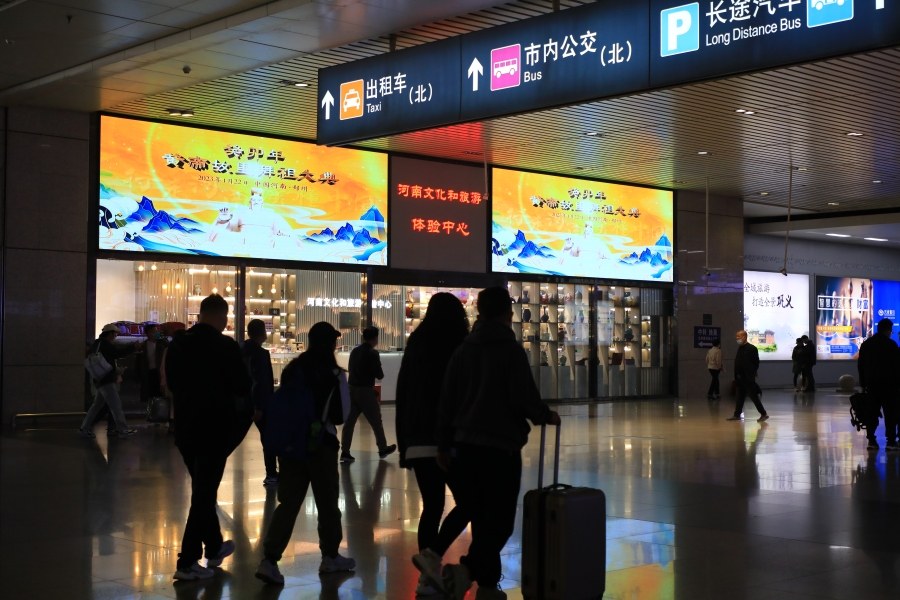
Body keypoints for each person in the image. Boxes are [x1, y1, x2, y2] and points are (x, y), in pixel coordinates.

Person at [438, 286, 561, 600]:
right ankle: (468, 572)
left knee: (481, 518)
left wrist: (444, 443)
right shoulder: (509, 350)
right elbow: (523, 395)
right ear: (508, 312)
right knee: (501, 522)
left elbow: (447, 400)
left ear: (479, 312)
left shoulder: (463, 349)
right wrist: (544, 415)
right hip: (499, 448)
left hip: (465, 448)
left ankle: (488, 585)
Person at [255, 321, 356, 585]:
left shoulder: (293, 369)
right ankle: (330, 556)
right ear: (331, 344)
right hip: (321, 445)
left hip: (291, 445)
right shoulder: (334, 374)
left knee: (288, 503)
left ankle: (269, 559)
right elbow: (341, 415)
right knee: (327, 503)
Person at [165, 294, 253, 581]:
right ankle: (187, 561)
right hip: (215, 429)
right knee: (204, 494)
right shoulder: (224, 346)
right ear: (220, 316)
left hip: (186, 427)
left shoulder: (178, 344)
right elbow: (242, 385)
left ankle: (214, 547)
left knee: (204, 489)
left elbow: (171, 384)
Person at [396, 293, 472, 596]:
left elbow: (403, 393)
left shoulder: (417, 342)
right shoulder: (459, 344)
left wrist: (404, 443)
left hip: (416, 438)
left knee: (432, 506)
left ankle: (426, 579)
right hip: (449, 440)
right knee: (469, 502)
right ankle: (434, 555)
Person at [340, 326, 396, 463]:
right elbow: (379, 375)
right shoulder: (373, 353)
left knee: (349, 423)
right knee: (376, 421)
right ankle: (382, 448)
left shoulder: (354, 351)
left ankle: (345, 452)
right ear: (375, 338)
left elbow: (351, 368)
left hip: (351, 389)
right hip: (365, 391)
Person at [79, 323, 138, 438]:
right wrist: (132, 348)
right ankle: (123, 430)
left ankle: (84, 428)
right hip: (107, 379)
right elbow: (117, 354)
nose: (115, 336)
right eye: (115, 334)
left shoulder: (97, 343)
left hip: (100, 379)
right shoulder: (105, 344)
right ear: (109, 333)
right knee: (116, 406)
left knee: (96, 406)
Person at [242, 319, 278, 486]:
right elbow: (261, 381)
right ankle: (271, 473)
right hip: (259, 404)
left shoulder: (240, 349)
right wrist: (260, 406)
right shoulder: (261, 354)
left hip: (242, 401)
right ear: (262, 333)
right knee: (269, 437)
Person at [857, 318, 900, 451]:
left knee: (871, 413)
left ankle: (871, 440)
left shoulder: (866, 344)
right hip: (889, 386)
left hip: (871, 385)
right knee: (890, 414)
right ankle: (891, 442)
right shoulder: (891, 345)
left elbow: (861, 366)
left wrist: (863, 384)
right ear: (888, 330)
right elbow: (897, 367)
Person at [727, 329, 769, 422]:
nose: (737, 338)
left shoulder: (752, 348)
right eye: (736, 337)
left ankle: (763, 414)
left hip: (747, 378)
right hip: (739, 378)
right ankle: (737, 414)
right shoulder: (740, 348)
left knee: (753, 396)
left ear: (744, 337)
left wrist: (751, 373)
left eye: (739, 336)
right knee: (739, 397)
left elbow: (756, 363)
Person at [137, 323, 168, 403]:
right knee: (149, 393)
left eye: (156, 331)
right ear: (148, 333)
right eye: (153, 331)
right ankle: (150, 408)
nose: (156, 333)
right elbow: (139, 362)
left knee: (160, 393)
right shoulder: (143, 346)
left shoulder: (161, 344)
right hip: (148, 372)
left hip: (159, 372)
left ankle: (158, 408)